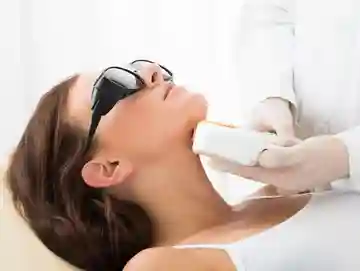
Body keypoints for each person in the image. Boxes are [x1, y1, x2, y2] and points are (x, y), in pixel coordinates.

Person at [6, 61, 360, 271]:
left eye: (137, 65)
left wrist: (340, 157)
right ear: (108, 167)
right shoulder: (161, 266)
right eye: (114, 86)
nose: (151, 71)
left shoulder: (288, 183)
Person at [224, 0, 360, 192]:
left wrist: (346, 156)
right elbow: (267, 12)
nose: (165, 78)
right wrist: (271, 94)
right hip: (306, 194)